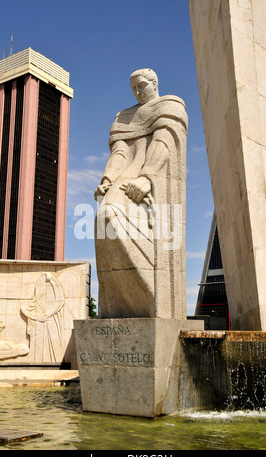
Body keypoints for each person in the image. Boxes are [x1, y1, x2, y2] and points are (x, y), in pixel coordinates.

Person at [94, 69, 188, 319]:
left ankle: (152, 298)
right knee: (104, 215)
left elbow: (164, 143)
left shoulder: (170, 105)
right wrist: (107, 179)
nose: (137, 91)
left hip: (148, 181)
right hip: (124, 179)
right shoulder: (125, 116)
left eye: (142, 85)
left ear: (155, 83)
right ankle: (122, 305)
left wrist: (147, 178)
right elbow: (120, 153)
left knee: (112, 215)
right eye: (133, 87)